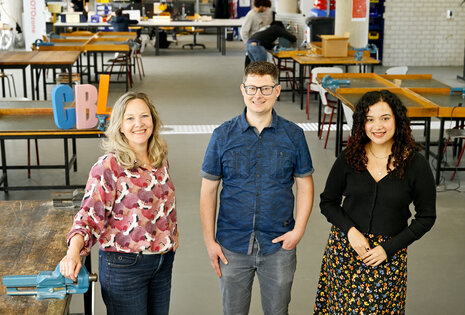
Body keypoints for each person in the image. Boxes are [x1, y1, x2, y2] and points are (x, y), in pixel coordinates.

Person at [200, 61, 314, 315]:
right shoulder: (222, 135)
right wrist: (210, 241)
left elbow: (305, 184)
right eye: (252, 89)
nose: (257, 96)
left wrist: (298, 230)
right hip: (232, 245)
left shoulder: (294, 135)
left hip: (278, 245)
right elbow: (208, 190)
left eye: (265, 89)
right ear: (243, 90)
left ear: (277, 90)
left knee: (278, 312)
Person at [314, 90, 436, 314]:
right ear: (362, 123)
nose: (377, 126)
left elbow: (426, 217)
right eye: (370, 119)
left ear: (397, 120)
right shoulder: (349, 157)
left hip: (388, 257)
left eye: (385, 118)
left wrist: (387, 249)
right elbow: (327, 202)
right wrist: (350, 231)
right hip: (345, 252)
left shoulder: (416, 164)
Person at [60, 92, 177, 315]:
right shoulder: (108, 166)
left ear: (153, 120)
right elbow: (87, 216)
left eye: (144, 116)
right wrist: (73, 252)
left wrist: (172, 234)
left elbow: (164, 202)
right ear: (120, 126)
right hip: (124, 266)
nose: (139, 124)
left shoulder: (159, 158)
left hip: (162, 262)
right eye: (130, 118)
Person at [240, 0, 273, 67]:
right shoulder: (251, 15)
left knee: (257, 69)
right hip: (253, 46)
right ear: (260, 6)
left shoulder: (260, 14)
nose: (266, 9)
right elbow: (243, 32)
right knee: (252, 69)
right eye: (265, 7)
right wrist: (249, 45)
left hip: (259, 45)